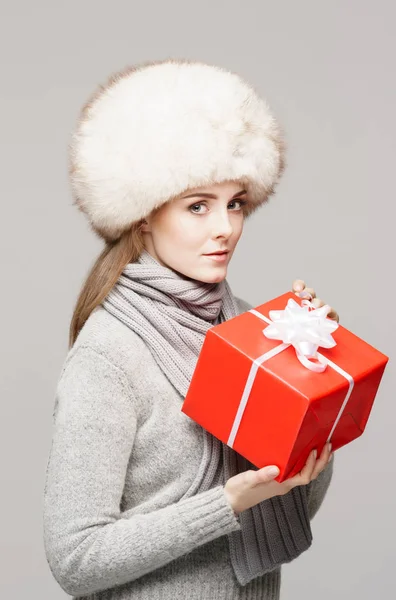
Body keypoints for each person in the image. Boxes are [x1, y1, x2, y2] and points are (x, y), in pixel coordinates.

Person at [43, 58, 338, 600]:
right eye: (197, 206)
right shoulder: (110, 355)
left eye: (235, 204)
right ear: (143, 215)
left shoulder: (256, 328)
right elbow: (75, 558)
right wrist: (225, 503)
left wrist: (311, 380)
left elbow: (292, 505)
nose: (224, 228)